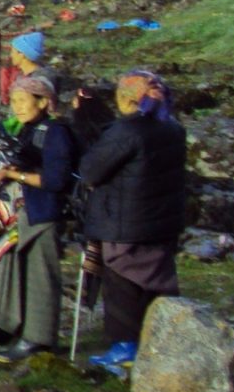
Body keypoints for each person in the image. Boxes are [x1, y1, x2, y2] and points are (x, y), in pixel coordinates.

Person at [73, 69, 188, 369]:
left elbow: (91, 170)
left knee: (123, 286)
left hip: (125, 222)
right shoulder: (173, 128)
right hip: (161, 220)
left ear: (126, 99)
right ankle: (165, 340)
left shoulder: (128, 131)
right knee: (158, 282)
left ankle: (125, 347)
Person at [0, 74, 76, 358]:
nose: (17, 107)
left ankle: (40, 338)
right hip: (23, 210)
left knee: (40, 273)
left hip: (43, 211)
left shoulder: (56, 132)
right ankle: (16, 326)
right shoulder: (27, 129)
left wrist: (14, 174)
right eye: (14, 101)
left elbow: (57, 180)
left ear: (44, 102)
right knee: (19, 267)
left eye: (23, 101)